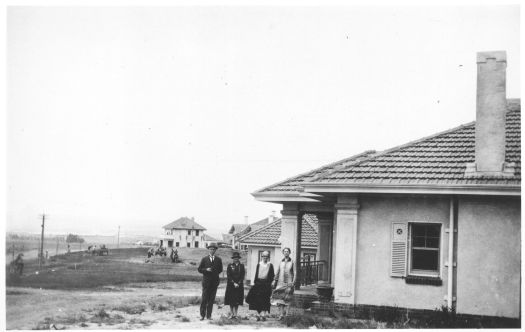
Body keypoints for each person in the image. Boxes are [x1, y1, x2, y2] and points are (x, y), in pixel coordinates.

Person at [197, 242, 223, 320]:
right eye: (210, 249)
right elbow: (199, 269)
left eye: (213, 249)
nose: (212, 250)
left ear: (215, 250)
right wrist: (206, 270)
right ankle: (202, 315)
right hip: (206, 282)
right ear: (208, 249)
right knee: (204, 299)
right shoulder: (204, 259)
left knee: (211, 300)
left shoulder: (218, 259)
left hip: (214, 283)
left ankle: (209, 316)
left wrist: (214, 274)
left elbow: (220, 270)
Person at [246, 250, 274, 321]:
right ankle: (258, 314)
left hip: (266, 284)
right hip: (259, 283)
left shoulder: (270, 265)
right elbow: (256, 274)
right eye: (264, 256)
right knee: (257, 299)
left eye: (266, 256)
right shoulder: (259, 264)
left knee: (265, 299)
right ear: (262, 257)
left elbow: (271, 276)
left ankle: (264, 315)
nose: (265, 257)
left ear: (268, 257)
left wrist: (269, 284)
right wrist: (255, 283)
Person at [271, 247, 296, 320]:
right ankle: (281, 315)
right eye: (284, 251)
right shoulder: (280, 262)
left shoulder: (292, 262)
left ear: (289, 252)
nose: (286, 252)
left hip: (289, 283)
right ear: (283, 253)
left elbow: (295, 272)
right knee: (279, 299)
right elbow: (277, 272)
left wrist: (293, 282)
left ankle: (287, 315)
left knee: (288, 299)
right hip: (280, 283)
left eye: (287, 251)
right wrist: (274, 281)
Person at [224, 252, 245, 319]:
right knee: (231, 300)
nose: (236, 259)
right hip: (231, 285)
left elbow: (242, 276)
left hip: (239, 286)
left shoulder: (241, 266)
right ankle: (231, 313)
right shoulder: (230, 265)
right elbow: (228, 275)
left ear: (239, 259)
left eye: (237, 258)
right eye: (234, 258)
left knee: (237, 300)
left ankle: (235, 314)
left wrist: (238, 283)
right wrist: (233, 283)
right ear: (233, 259)